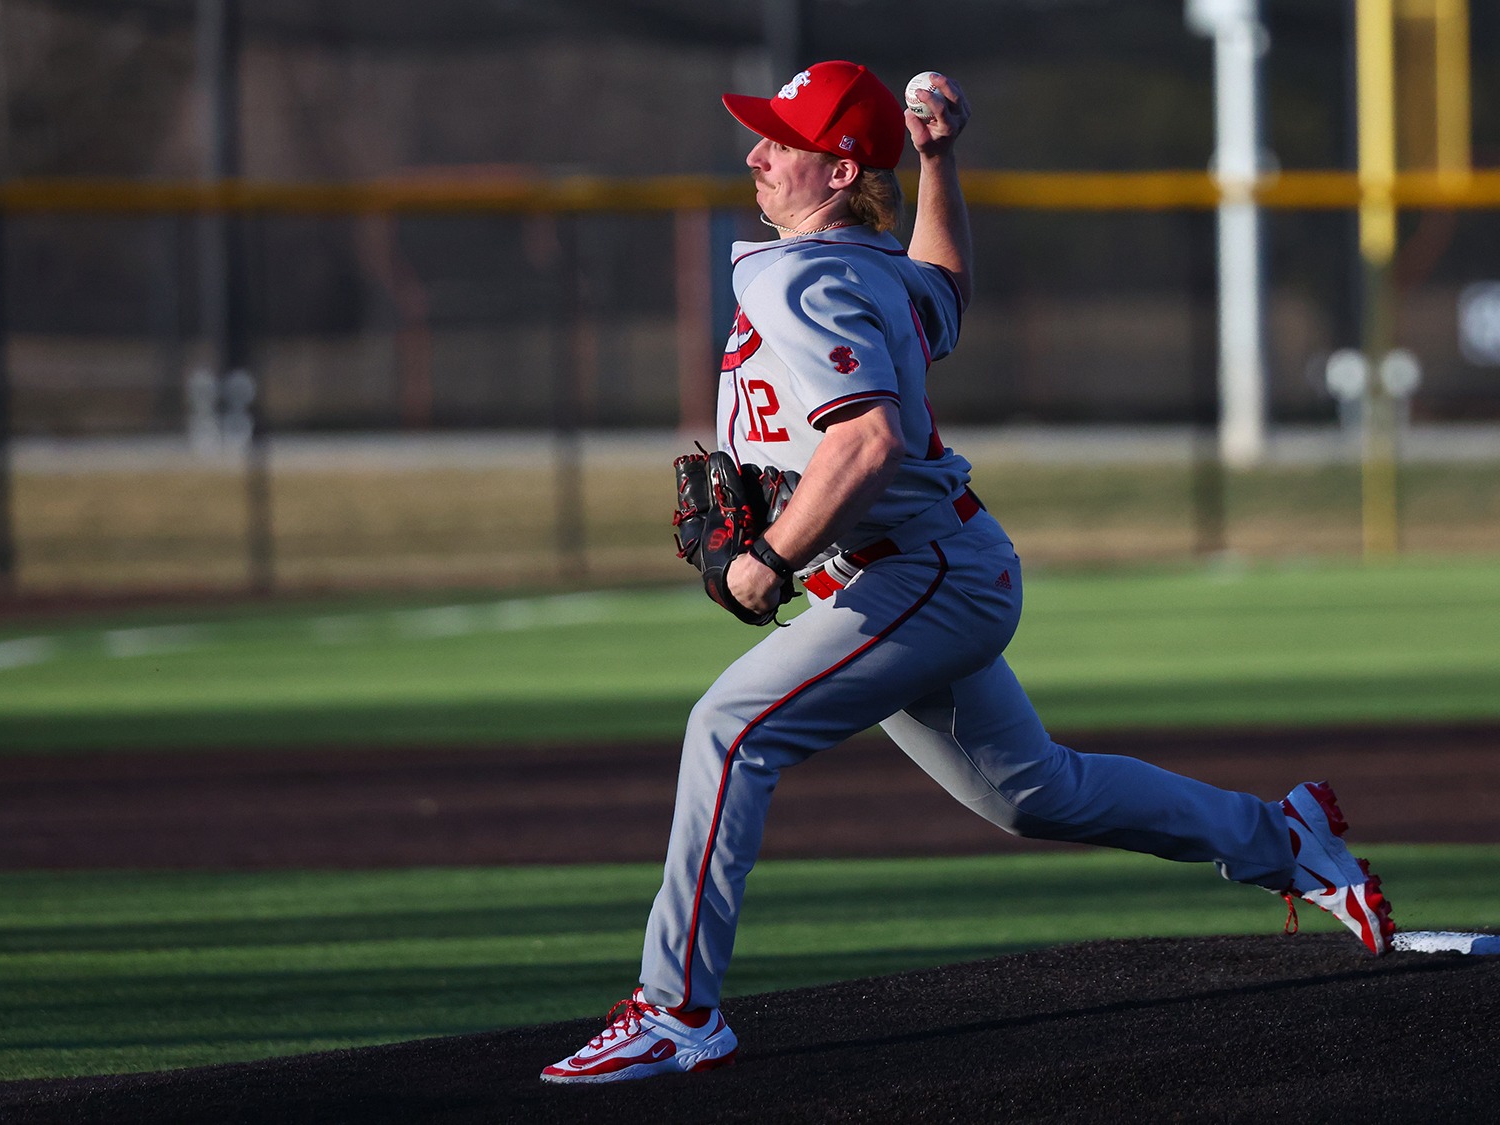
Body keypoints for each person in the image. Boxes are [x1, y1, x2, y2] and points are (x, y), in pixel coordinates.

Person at [539, 60, 1394, 1086]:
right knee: (1033, 793)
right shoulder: (871, 269)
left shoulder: (801, 276)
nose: (758, 155)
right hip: (930, 569)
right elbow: (944, 291)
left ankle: (676, 1010)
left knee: (727, 733)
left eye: (783, 142)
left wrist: (768, 559)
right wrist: (940, 164)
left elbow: (871, 444)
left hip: (920, 575)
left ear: (839, 166)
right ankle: (1279, 837)